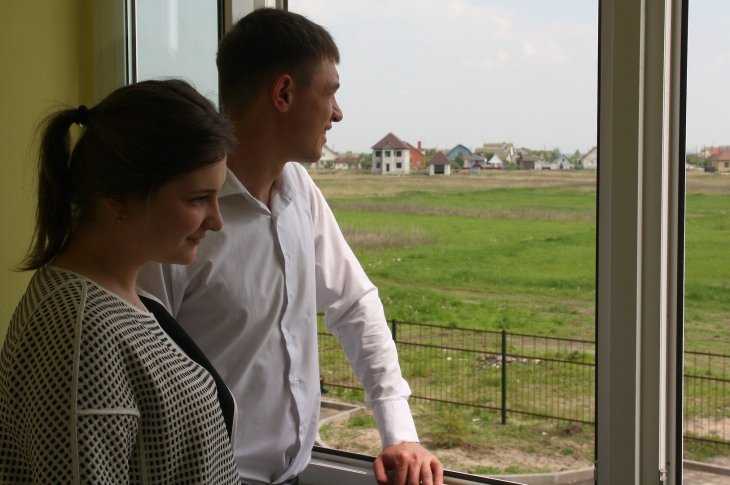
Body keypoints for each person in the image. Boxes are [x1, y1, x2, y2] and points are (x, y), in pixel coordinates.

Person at [138, 8, 444, 485]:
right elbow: (145, 370)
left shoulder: (298, 190)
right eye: (330, 92)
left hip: (293, 474)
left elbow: (353, 303)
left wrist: (399, 431)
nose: (338, 113)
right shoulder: (178, 220)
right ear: (283, 93)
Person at [0, 80, 243, 484]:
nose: (217, 221)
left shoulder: (125, 297)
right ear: (118, 197)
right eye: (198, 199)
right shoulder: (81, 334)